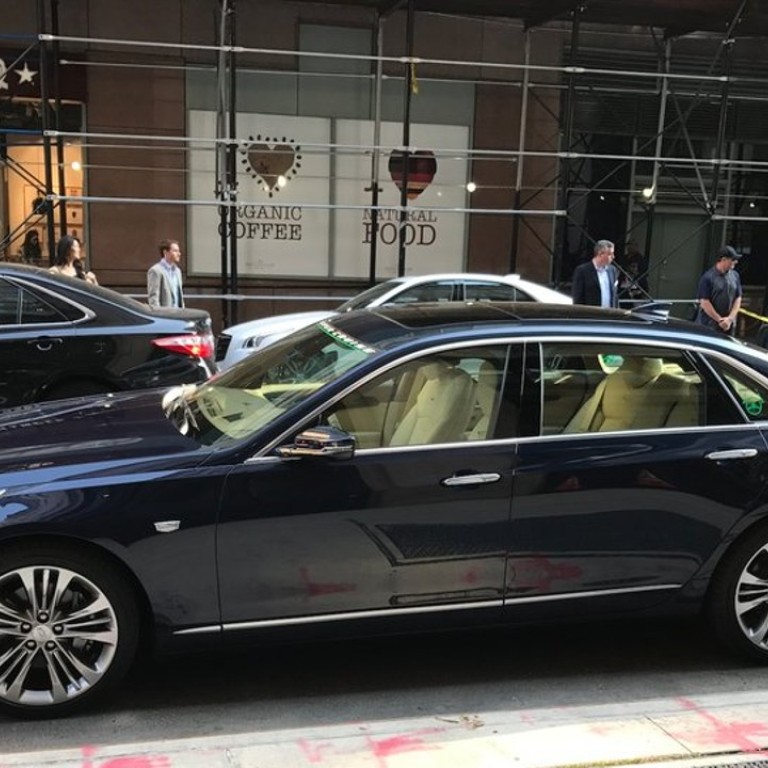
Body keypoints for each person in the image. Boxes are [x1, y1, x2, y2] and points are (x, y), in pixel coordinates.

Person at [695, 245, 743, 335]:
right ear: (723, 259)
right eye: (732, 260)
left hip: (729, 325)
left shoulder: (735, 276)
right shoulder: (708, 277)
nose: (735, 262)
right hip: (709, 324)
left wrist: (730, 319)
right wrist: (720, 320)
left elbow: (738, 298)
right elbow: (704, 302)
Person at [571, 239, 618, 307]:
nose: (613, 257)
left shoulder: (612, 270)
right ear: (601, 254)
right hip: (591, 315)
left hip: (609, 315)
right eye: (610, 254)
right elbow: (578, 297)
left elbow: (615, 296)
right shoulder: (583, 271)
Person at [147, 239, 184, 308]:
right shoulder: (155, 271)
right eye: (175, 251)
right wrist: (158, 316)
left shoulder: (178, 271)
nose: (179, 254)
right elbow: (153, 297)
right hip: (165, 315)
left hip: (178, 315)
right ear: (165, 252)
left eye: (179, 251)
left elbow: (179, 297)